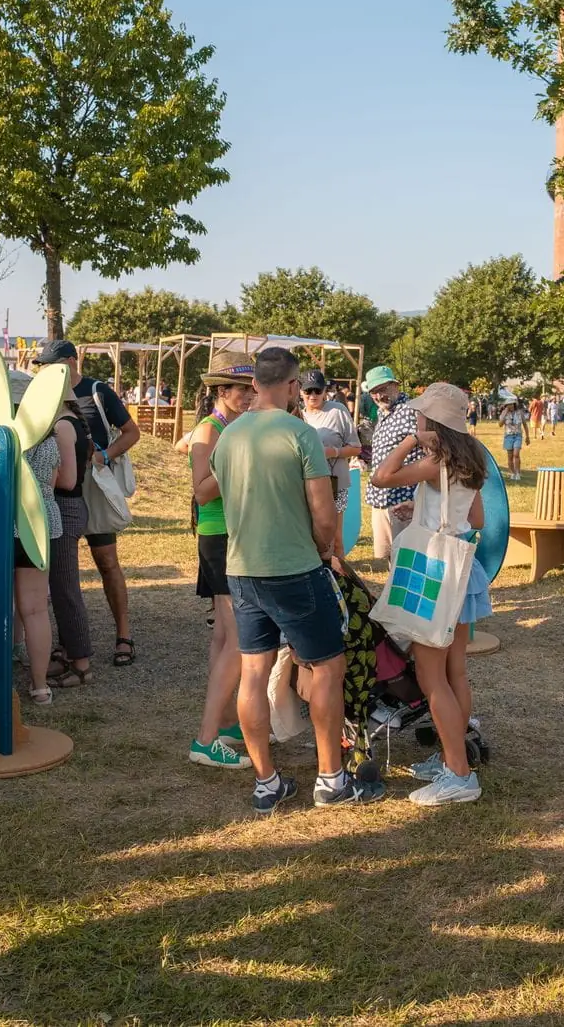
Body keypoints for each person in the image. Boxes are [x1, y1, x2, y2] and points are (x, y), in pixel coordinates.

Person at [214, 346, 384, 813]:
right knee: (328, 667)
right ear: (292, 387)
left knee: (253, 671)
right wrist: (326, 550)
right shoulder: (300, 433)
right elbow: (324, 512)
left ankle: (266, 782)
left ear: (253, 385)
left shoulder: (228, 436)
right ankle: (331, 780)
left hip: (241, 569)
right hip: (295, 569)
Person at [370, 382, 491, 806]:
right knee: (455, 672)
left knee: (430, 676)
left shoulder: (435, 459)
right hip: (462, 571)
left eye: (420, 416)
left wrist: (408, 442)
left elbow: (380, 476)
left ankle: (459, 775)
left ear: (432, 422)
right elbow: (474, 516)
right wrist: (424, 508)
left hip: (434, 575)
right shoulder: (470, 458)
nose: (415, 419)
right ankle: (452, 757)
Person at [35, 339, 141, 668]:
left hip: (92, 487)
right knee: (60, 573)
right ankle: (67, 641)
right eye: (42, 365)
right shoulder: (45, 396)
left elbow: (131, 432)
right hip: (62, 492)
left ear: (71, 361)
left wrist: (104, 456)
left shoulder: (98, 390)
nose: (46, 370)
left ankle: (123, 635)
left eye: (51, 364)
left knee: (106, 561)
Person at [0, 369, 66, 705]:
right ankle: (40, 686)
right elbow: (52, 484)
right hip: (37, 527)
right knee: (35, 609)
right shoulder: (49, 440)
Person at [188, 351, 256, 768]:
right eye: (242, 390)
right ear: (221, 391)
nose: (249, 396)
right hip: (220, 537)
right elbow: (201, 492)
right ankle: (205, 739)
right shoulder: (209, 431)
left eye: (252, 389)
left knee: (222, 639)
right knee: (237, 640)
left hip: (231, 535)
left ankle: (227, 723)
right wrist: (238, 459)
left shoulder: (231, 426)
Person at [44, 396, 94, 689]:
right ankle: (68, 654)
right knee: (61, 588)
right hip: (68, 509)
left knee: (65, 590)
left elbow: (67, 480)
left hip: (65, 509)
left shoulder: (62, 426)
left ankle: (82, 665)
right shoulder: (70, 422)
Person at [364, 365, 423, 564]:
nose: (379, 396)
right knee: (389, 556)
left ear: (395, 385)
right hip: (381, 497)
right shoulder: (382, 412)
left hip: (403, 497)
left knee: (406, 557)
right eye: (374, 392)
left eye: (383, 389)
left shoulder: (412, 410)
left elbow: (430, 449)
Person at [300, 368, 361, 557]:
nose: (313, 395)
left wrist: (332, 452)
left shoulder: (338, 411)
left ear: (325, 391)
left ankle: (339, 583)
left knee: (335, 541)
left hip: (335, 482)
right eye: (308, 391)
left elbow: (356, 448)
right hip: (306, 484)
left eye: (317, 390)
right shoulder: (297, 416)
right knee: (311, 538)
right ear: (300, 391)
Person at [499, 398, 528, 481]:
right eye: (508, 404)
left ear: (514, 404)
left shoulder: (519, 413)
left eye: (512, 404)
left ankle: (518, 473)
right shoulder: (504, 413)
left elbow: (525, 424)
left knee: (516, 454)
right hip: (508, 436)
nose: (510, 405)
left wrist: (527, 437)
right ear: (506, 406)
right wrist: (504, 413)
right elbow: (500, 424)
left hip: (518, 435)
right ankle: (512, 473)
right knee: (510, 456)